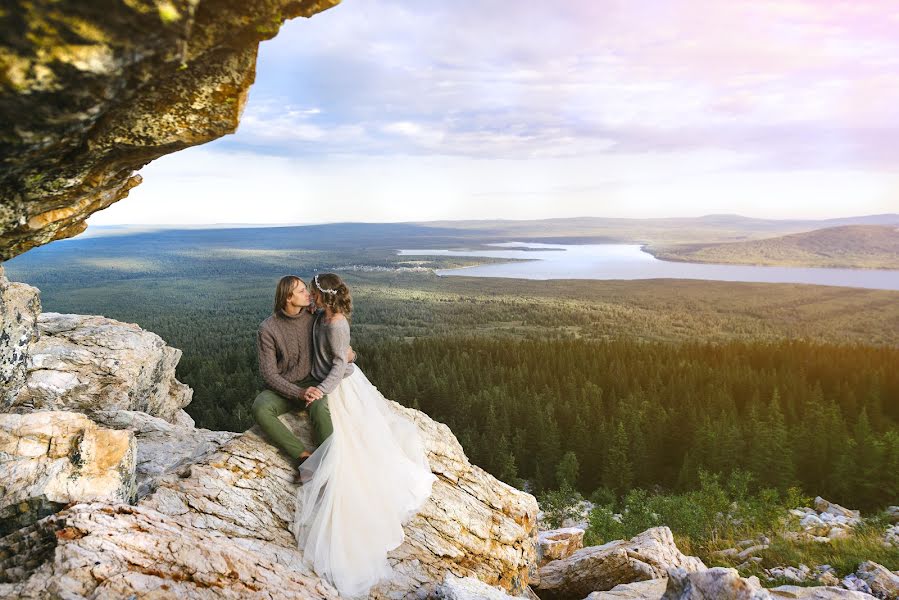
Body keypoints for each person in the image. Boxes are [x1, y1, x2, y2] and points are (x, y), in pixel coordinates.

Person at [291, 273, 436, 598]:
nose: (310, 297)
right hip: (329, 382)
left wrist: (319, 391)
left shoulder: (336, 324)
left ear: (324, 297)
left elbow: (341, 364)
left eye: (313, 293)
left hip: (341, 387)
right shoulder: (322, 315)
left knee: (354, 447)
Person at [252, 275, 355, 469]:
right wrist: (298, 393)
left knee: (319, 407)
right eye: (301, 291)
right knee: (260, 408)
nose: (309, 293)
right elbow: (269, 374)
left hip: (314, 380)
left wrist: (352, 355)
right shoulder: (267, 329)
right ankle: (302, 456)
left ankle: (330, 462)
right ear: (288, 298)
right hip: (285, 386)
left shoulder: (315, 315)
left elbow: (337, 341)